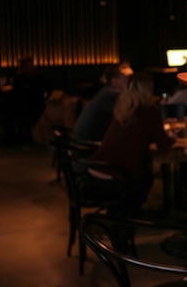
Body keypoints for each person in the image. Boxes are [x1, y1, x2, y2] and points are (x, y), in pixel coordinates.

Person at [86, 73, 175, 216]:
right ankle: (129, 215)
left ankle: (122, 213)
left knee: (144, 173)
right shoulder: (150, 111)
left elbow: (132, 135)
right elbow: (163, 144)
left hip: (93, 173)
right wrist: (173, 137)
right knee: (145, 178)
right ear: (148, 90)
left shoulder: (122, 109)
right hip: (114, 178)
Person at [72, 62, 133, 143]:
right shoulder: (113, 94)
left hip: (83, 143)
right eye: (128, 77)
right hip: (90, 146)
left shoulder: (106, 92)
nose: (133, 81)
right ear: (114, 80)